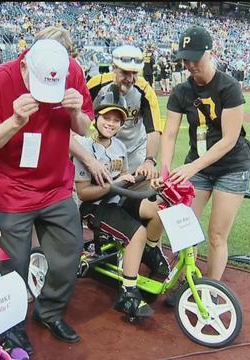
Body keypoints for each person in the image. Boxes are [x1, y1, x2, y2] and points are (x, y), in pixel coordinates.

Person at [0, 39, 93, 355]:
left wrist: (77, 111)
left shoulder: (71, 72)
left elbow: (85, 129)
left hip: (55, 186)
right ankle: (11, 328)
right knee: (14, 265)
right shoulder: (1, 78)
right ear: (24, 64)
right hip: (12, 190)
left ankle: (49, 312)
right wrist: (14, 122)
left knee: (69, 253)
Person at [157, 26, 250, 293]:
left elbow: (229, 139)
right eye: (185, 59)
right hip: (197, 167)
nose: (189, 65)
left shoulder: (229, 87)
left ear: (210, 53)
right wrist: (165, 170)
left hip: (230, 167)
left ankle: (210, 289)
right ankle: (187, 280)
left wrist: (191, 167)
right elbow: (171, 132)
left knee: (217, 234)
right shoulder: (180, 91)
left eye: (195, 58)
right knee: (185, 228)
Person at [73, 85, 163, 318]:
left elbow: (125, 179)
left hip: (117, 199)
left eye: (116, 120)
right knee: (137, 234)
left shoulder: (120, 146)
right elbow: (84, 194)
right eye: (106, 117)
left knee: (158, 208)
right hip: (95, 207)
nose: (111, 123)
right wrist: (114, 184)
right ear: (96, 118)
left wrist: (144, 180)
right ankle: (128, 292)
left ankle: (149, 253)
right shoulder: (84, 147)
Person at [85, 45, 168, 277]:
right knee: (104, 197)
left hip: (135, 152)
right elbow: (79, 119)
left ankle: (150, 250)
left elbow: (153, 130)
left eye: (134, 73)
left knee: (145, 199)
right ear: (114, 68)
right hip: (102, 151)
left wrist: (150, 160)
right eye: (124, 72)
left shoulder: (145, 90)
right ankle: (119, 240)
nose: (130, 78)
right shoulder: (95, 84)